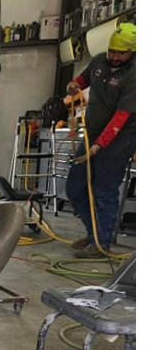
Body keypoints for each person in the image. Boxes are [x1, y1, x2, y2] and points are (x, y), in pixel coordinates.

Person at [64, 21, 136, 258]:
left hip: (119, 139)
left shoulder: (136, 74)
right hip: (92, 134)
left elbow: (121, 117)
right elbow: (81, 80)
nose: (114, 57)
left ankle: (101, 243)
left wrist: (99, 146)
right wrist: (73, 85)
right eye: (111, 51)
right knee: (75, 187)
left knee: (104, 190)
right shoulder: (98, 62)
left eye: (120, 53)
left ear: (132, 51)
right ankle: (92, 233)